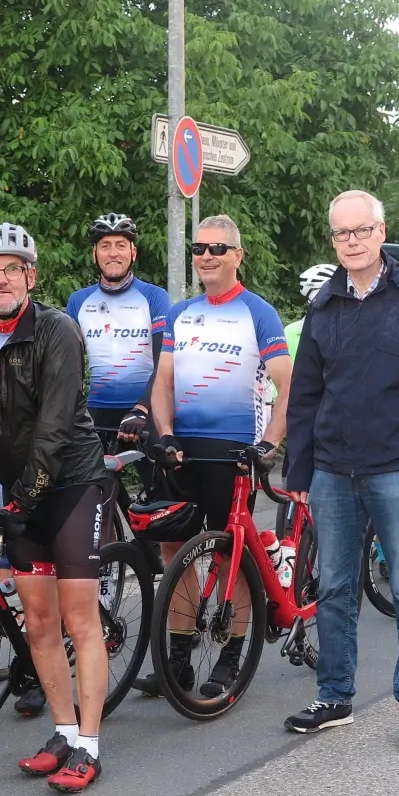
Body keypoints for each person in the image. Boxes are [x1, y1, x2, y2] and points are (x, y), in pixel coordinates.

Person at [0, 222, 114, 792]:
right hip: (22, 493)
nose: (0, 278)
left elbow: (54, 430)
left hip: (74, 483)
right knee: (37, 621)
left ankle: (90, 743)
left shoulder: (58, 332)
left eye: (11, 268)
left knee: (79, 618)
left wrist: (21, 504)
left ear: (30, 276)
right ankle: (62, 731)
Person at [284, 190, 399, 749]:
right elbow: (305, 395)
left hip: (398, 467)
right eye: (341, 234)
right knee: (333, 588)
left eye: (361, 231)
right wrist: (300, 472)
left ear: (381, 232)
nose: (352, 242)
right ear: (333, 239)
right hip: (332, 468)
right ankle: (334, 696)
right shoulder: (324, 302)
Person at [138, 214, 293, 700]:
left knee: (231, 555)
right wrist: (162, 434)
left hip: (234, 453)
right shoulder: (180, 314)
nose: (206, 256)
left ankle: (231, 653)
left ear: (237, 256)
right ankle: (178, 662)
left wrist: (269, 443)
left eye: (217, 249)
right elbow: (162, 382)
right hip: (181, 451)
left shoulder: (258, 312)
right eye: (200, 248)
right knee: (174, 552)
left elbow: (290, 388)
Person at [65, 213, 170, 453]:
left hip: (146, 408)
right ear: (95, 254)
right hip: (95, 411)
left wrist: (142, 408)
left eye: (121, 245)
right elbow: (68, 366)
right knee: (90, 486)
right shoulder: (78, 301)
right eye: (105, 246)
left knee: (160, 487)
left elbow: (163, 362)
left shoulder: (154, 297)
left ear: (133, 253)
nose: (113, 253)